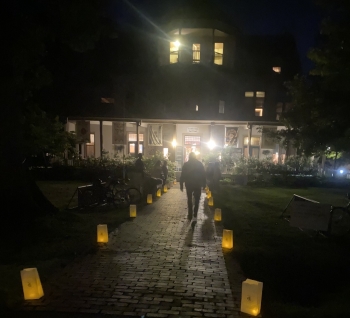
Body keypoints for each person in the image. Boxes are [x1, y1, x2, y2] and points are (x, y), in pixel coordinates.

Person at [180, 152, 206, 220]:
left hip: (189, 184)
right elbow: (203, 174)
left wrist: (181, 185)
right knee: (197, 199)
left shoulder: (186, 164)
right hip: (197, 184)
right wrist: (204, 184)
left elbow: (182, 175)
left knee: (189, 199)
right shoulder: (199, 164)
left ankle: (190, 214)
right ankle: (195, 213)